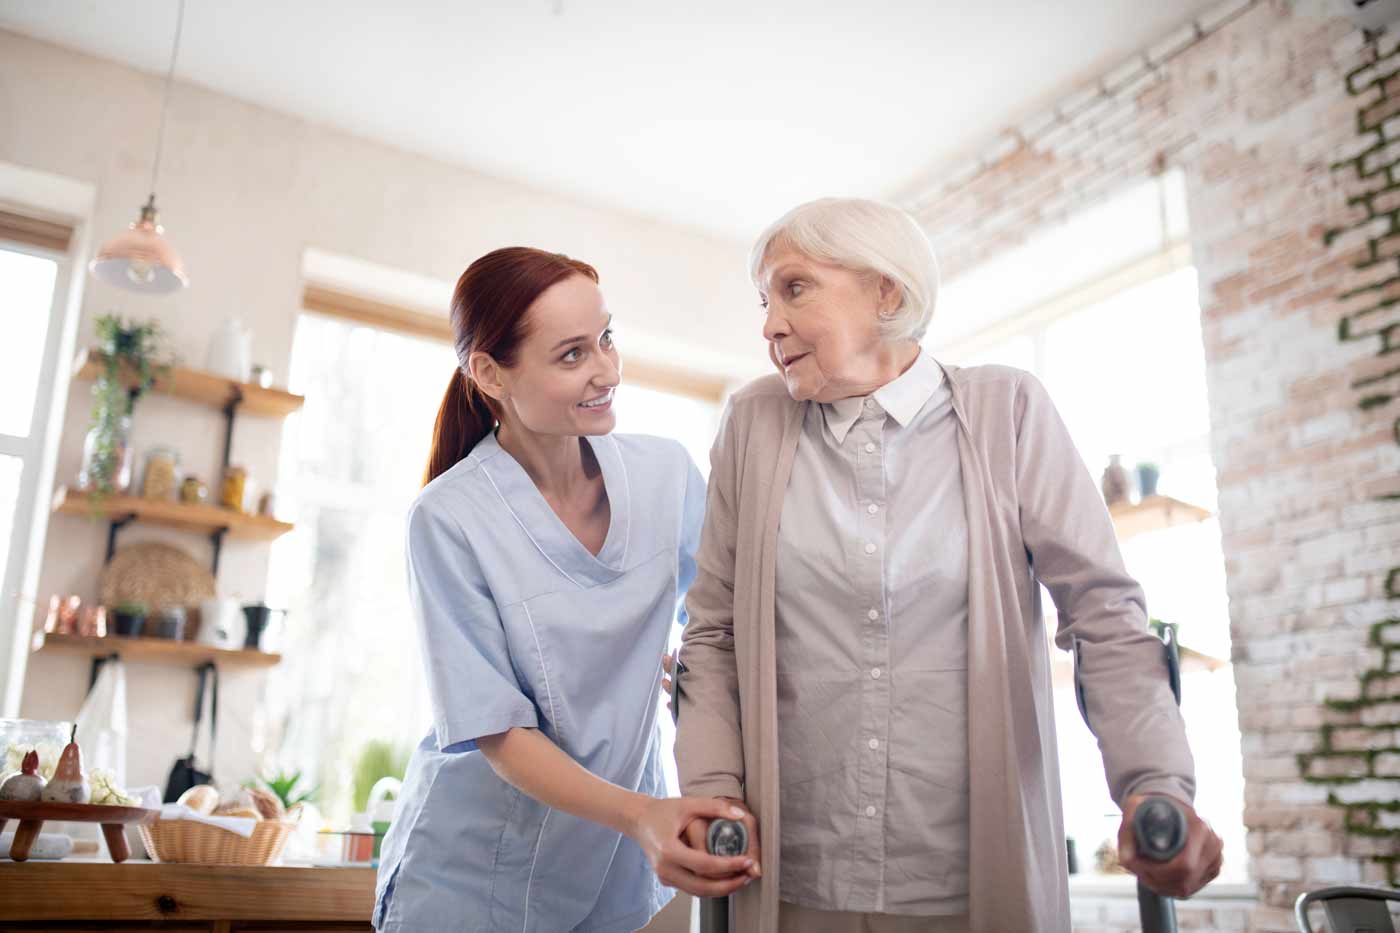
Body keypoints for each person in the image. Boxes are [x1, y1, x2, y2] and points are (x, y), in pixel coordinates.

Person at [673, 199, 1223, 933]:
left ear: (886, 292)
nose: (769, 322)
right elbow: (710, 635)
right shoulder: (752, 423)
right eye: (765, 299)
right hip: (793, 876)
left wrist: (1155, 781)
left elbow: (1103, 616)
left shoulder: (1008, 410)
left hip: (968, 881)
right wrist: (712, 795)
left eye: (794, 288)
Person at [374, 247, 755, 933]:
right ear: (489, 373)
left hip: (610, 873)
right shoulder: (449, 517)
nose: (606, 370)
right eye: (572, 355)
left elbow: (728, 623)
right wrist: (642, 814)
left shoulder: (666, 475)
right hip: (471, 880)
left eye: (607, 339)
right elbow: (497, 730)